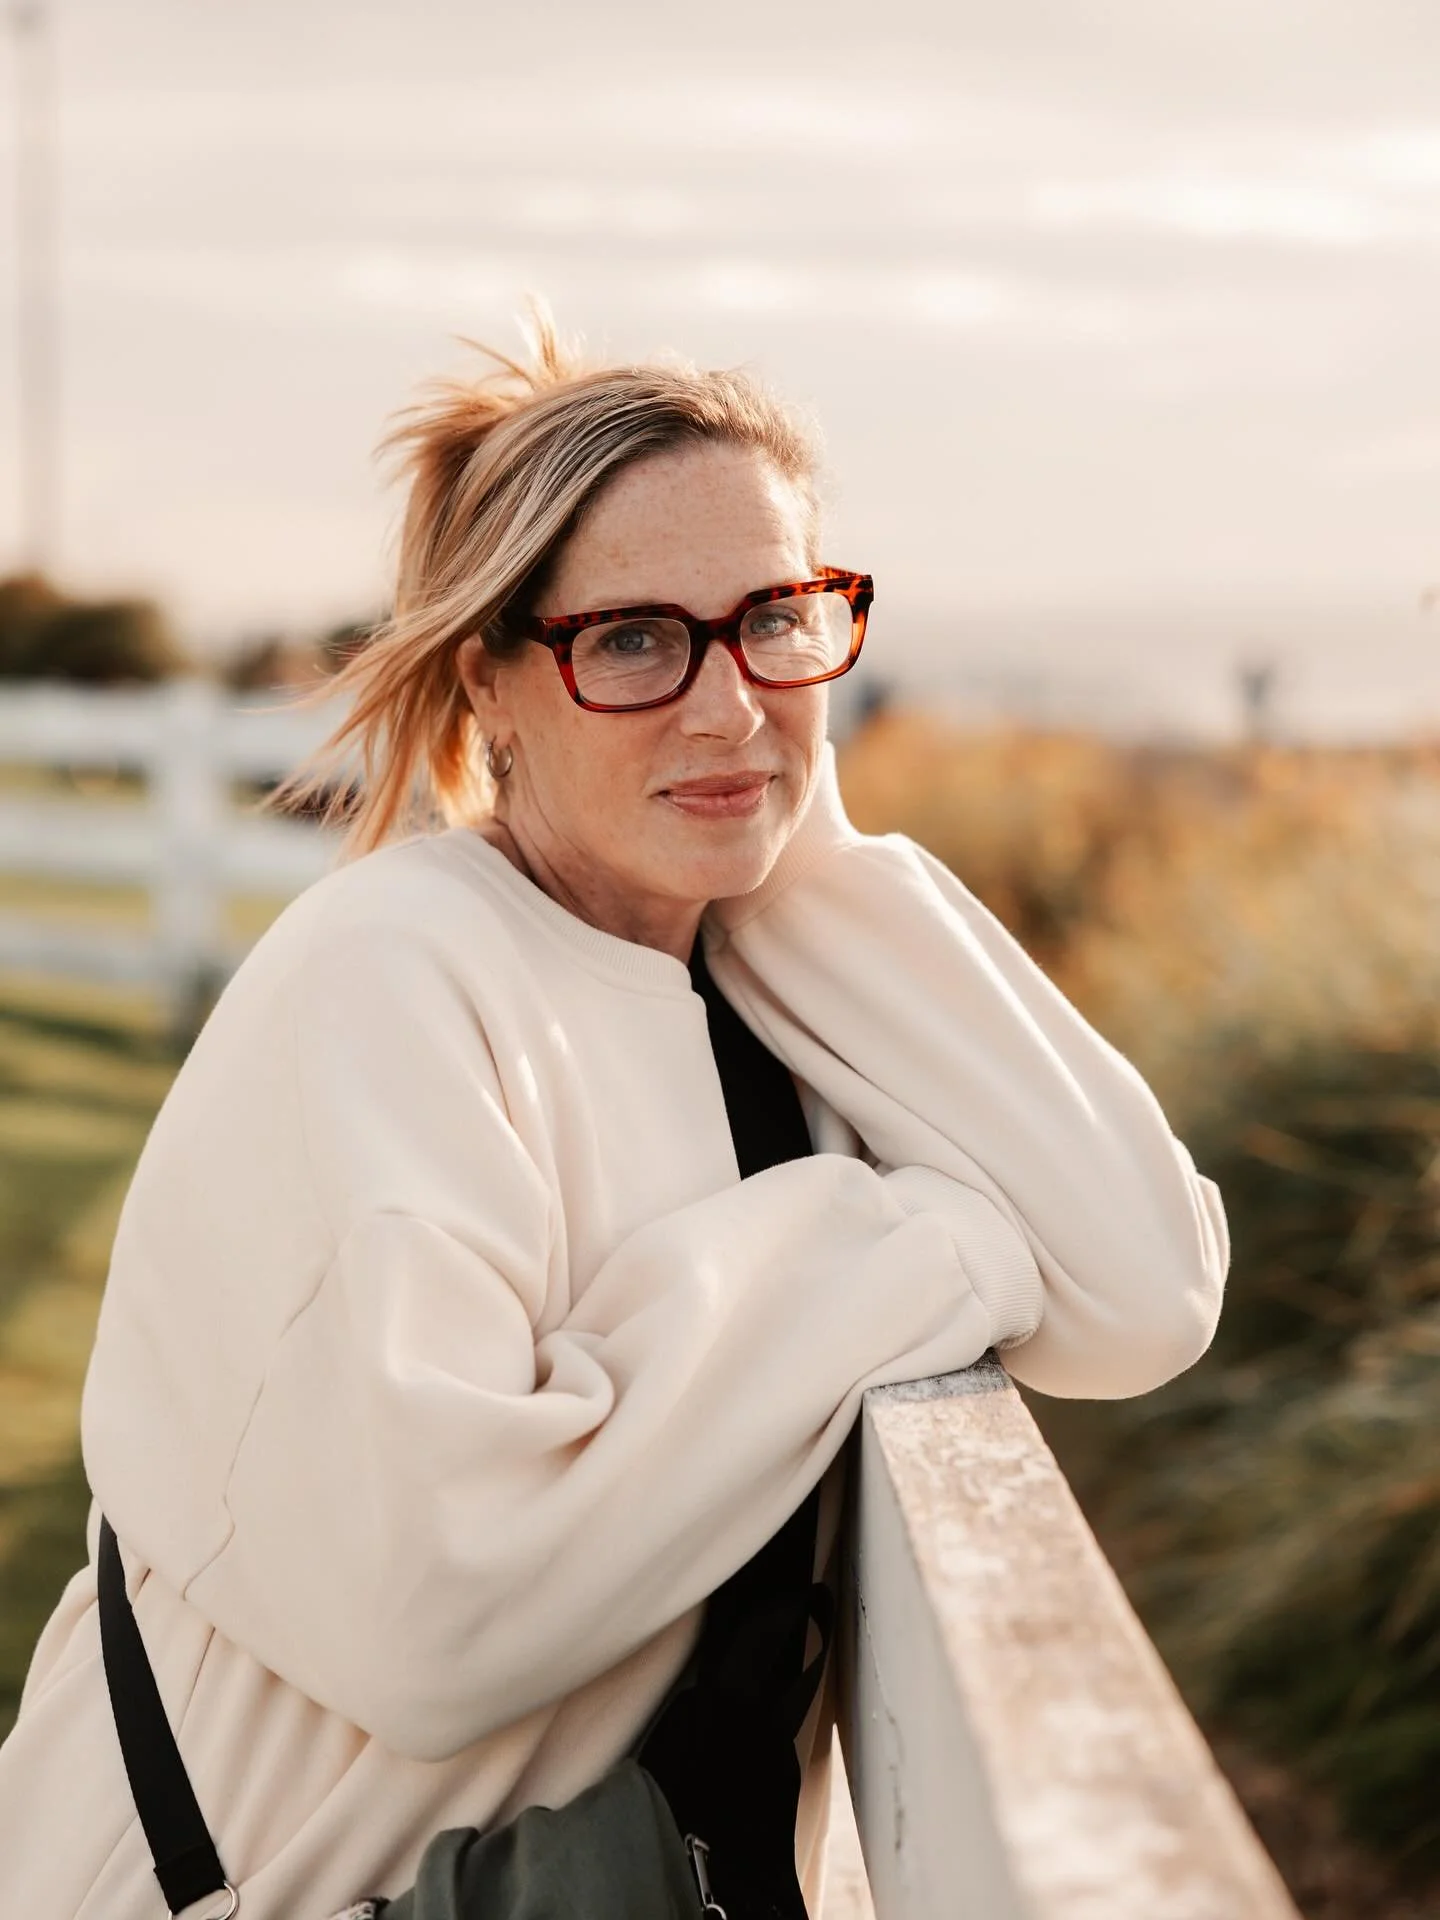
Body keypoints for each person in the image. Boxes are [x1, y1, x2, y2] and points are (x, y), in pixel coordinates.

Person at [0, 312, 1229, 1918]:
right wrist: (898, 1234)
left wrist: (805, 846)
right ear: (489, 685)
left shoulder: (748, 972)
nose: (725, 703)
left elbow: (1148, 1294)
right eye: (637, 641)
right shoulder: (385, 976)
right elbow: (442, 1606)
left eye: (777, 619)